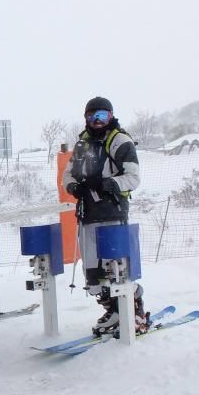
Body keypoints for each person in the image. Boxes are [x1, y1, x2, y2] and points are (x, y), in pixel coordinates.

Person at [62, 96, 145, 335]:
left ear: (110, 116)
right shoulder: (82, 145)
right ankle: (113, 309)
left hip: (112, 213)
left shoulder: (120, 141)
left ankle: (133, 305)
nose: (97, 122)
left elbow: (133, 178)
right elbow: (68, 175)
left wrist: (107, 184)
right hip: (88, 214)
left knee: (116, 269)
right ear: (86, 118)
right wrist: (73, 187)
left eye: (102, 116)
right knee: (94, 275)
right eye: (92, 117)